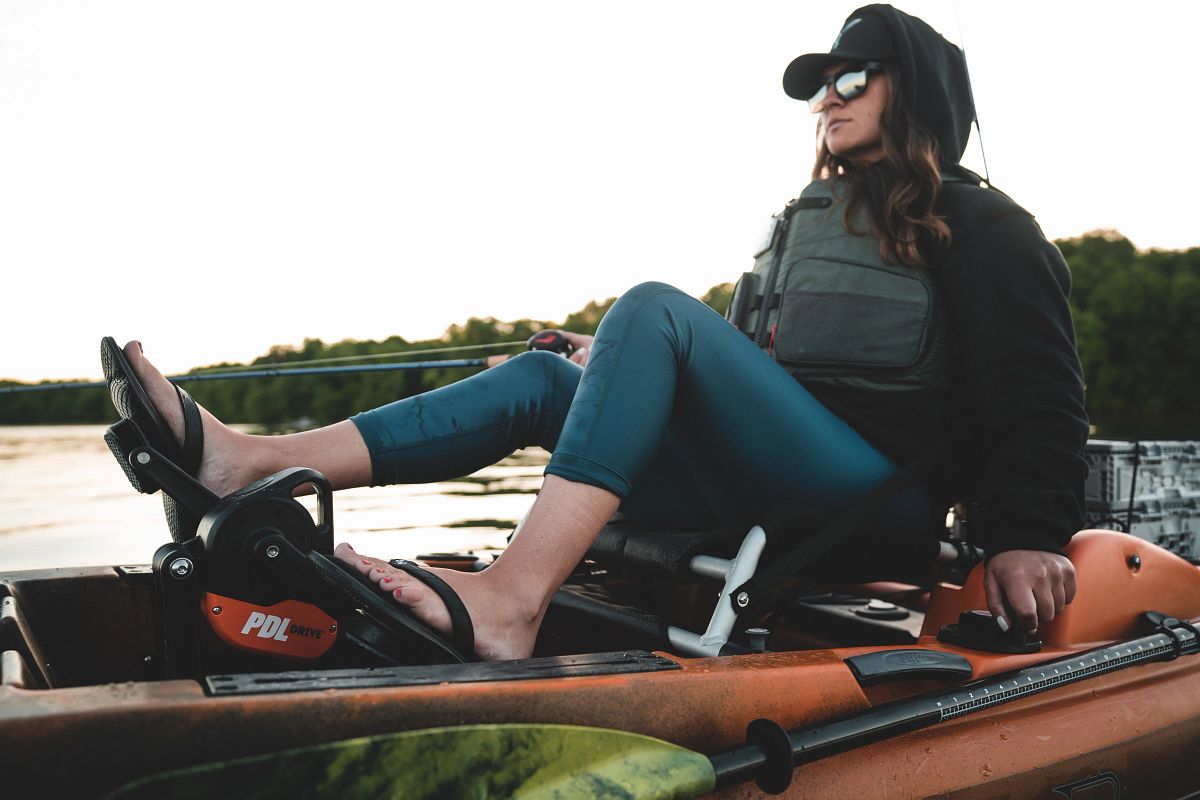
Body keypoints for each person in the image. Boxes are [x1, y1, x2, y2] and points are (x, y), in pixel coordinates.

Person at [107, 4, 1086, 662]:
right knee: (550, 372)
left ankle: (511, 597)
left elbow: (1041, 393)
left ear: (911, 88)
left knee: (651, 303)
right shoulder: (808, 225)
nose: (827, 95)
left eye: (853, 76)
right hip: (771, 476)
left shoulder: (984, 225)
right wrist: (605, 360)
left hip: (870, 501)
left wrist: (1027, 535)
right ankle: (254, 464)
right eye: (821, 81)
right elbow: (758, 372)